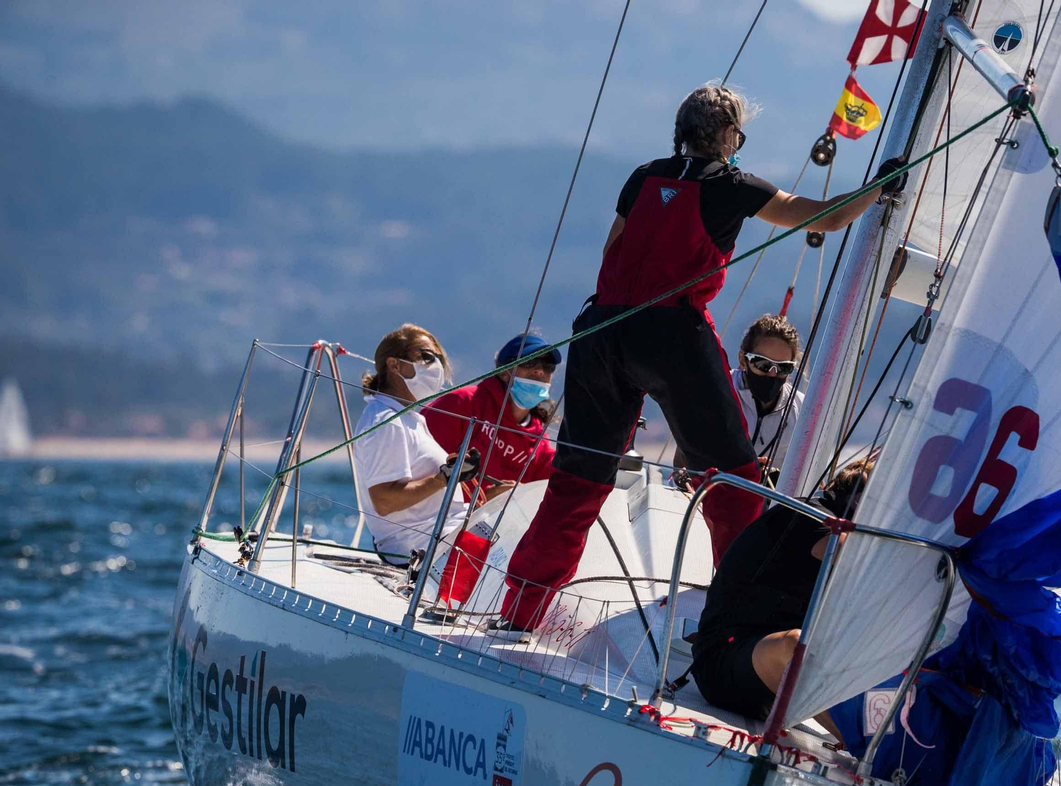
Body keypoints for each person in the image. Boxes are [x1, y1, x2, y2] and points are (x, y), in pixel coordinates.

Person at [497, 82, 908, 632]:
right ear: (729, 135)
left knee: (577, 481)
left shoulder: (643, 176)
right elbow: (825, 218)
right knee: (733, 484)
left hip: (601, 330)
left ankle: (518, 613)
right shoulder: (733, 185)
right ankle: (738, 624)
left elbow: (611, 252)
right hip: (672, 335)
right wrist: (879, 188)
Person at [690, 454, 875, 723]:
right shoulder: (810, 517)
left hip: (769, 681)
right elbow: (849, 553)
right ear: (859, 502)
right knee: (794, 644)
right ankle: (869, 749)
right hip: (723, 665)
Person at [351, 324, 481, 567]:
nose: (436, 367)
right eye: (426, 356)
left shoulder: (406, 418)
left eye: (439, 359)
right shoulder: (386, 421)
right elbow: (384, 501)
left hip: (440, 539)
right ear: (394, 365)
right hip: (419, 551)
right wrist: (444, 478)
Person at [674, 313, 804, 483]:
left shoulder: (803, 411)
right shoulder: (714, 393)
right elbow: (682, 461)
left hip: (773, 505)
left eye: (783, 368)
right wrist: (738, 468)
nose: (772, 374)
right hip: (709, 495)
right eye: (762, 364)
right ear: (743, 360)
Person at [424, 332, 559, 491]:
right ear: (504, 372)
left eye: (548, 366)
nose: (540, 371)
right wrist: (484, 502)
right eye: (530, 361)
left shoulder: (540, 446)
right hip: (435, 513)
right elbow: (417, 462)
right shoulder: (463, 403)